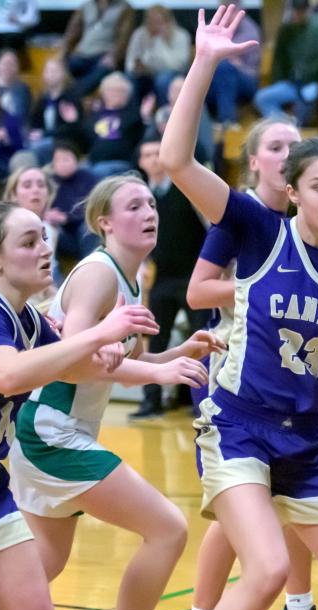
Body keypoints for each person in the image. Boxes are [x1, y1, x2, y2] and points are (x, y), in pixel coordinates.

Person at [160, 8, 318, 610]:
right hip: (238, 425)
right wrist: (204, 63)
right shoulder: (256, 228)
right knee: (265, 570)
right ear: (293, 191)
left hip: (310, 442)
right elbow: (177, 161)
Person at [0, 175, 219, 610]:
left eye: (151, 204)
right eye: (134, 207)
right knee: (168, 530)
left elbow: (119, 361)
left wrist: (177, 354)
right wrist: (158, 372)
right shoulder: (97, 273)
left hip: (62, 430)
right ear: (104, 223)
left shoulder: (132, 277)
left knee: (44, 563)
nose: (149, 213)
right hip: (51, 431)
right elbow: (77, 360)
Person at [0, 201, 159, 610]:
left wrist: (145, 360)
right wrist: (98, 334)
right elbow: (7, 375)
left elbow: (76, 370)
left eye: (43, 237)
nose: (44, 249)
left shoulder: (30, 320)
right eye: (28, 242)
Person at [184, 117, 318, 610]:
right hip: (234, 372)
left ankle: (297, 604)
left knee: (285, 503)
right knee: (237, 515)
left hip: (286, 381)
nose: (288, 151)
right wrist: (261, 291)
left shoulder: (315, 222)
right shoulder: (241, 218)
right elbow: (197, 291)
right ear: (254, 162)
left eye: (295, 144)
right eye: (275, 146)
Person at [129, 136, 210, 419]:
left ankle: (203, 403)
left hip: (194, 276)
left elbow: (212, 226)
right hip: (161, 278)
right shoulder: (139, 199)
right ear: (141, 162)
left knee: (203, 341)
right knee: (155, 340)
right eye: (147, 154)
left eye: (157, 154)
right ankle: (152, 402)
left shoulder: (186, 190)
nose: (152, 159)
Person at [2, 166, 62, 290]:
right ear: (13, 194)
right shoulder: (3, 230)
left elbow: (50, 277)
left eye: (41, 185)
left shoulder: (51, 230)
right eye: (27, 185)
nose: (36, 190)